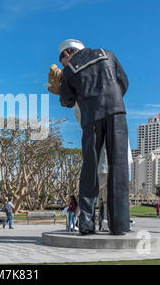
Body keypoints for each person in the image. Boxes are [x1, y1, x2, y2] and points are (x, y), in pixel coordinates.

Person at [58, 39, 130, 236]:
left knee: (90, 169)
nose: (64, 65)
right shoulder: (108, 54)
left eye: (63, 61)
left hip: (92, 118)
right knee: (119, 167)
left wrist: (65, 89)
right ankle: (120, 224)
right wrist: (111, 100)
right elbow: (123, 83)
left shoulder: (70, 69)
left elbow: (66, 100)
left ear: (67, 54)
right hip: (117, 113)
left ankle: (87, 223)